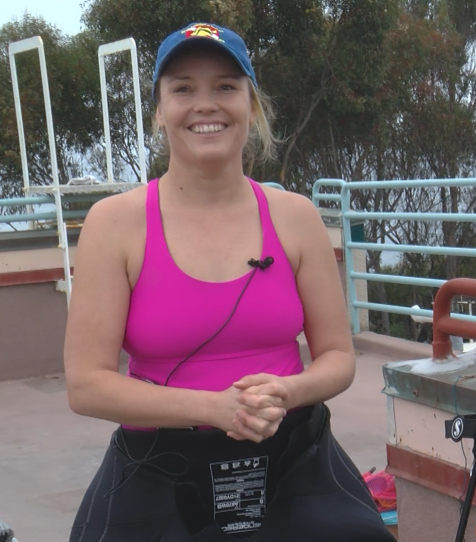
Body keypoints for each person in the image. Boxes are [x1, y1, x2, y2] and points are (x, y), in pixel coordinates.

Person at [63, 22, 394, 541]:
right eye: (183, 89)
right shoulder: (113, 224)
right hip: (159, 466)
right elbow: (86, 385)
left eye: (225, 86)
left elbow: (337, 357)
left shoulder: (296, 216)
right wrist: (214, 409)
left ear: (251, 105)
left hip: (292, 459)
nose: (205, 104)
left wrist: (288, 391)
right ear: (159, 111)